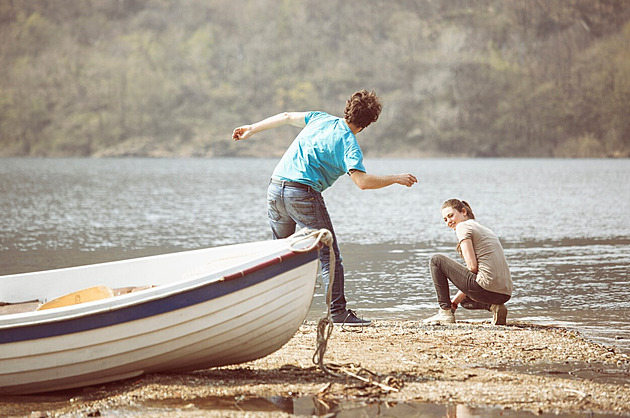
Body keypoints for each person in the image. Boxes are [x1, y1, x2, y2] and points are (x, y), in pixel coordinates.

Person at [232, 89, 417, 326]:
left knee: (279, 253)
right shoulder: (349, 144)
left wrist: (251, 128)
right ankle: (338, 313)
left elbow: (287, 116)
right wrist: (395, 178)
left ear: (347, 107)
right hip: (302, 193)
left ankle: (272, 310)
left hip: (275, 187)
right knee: (329, 255)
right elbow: (362, 182)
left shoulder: (320, 118)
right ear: (368, 123)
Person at [424, 199, 512, 325]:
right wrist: (455, 302)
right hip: (504, 294)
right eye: (445, 219)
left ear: (463, 212)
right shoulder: (483, 228)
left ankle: (445, 313)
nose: (449, 221)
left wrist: (450, 305)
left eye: (451, 216)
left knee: (436, 260)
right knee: (464, 301)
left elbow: (472, 267)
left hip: (486, 288)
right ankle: (495, 307)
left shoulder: (462, 226)